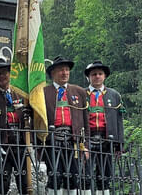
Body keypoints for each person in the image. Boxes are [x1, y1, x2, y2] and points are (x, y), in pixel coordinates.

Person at [44, 56, 90, 195]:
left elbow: (85, 121)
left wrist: (85, 145)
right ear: (53, 73)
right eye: (60, 70)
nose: (65, 73)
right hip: (52, 139)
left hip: (73, 140)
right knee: (55, 176)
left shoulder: (79, 92)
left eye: (66, 70)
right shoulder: (44, 93)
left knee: (74, 176)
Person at [0, 57, 28, 195]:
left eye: (4, 72)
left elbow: (30, 114)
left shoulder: (21, 93)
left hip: (21, 143)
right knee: (3, 182)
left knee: (25, 183)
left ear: (10, 74)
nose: (1, 76)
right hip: (3, 145)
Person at [83, 60, 124, 195]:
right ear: (88, 77)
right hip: (87, 139)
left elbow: (119, 120)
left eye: (100, 74)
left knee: (105, 174)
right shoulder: (81, 94)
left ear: (105, 76)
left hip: (107, 139)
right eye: (94, 74)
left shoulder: (114, 95)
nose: (97, 76)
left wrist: (119, 144)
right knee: (85, 173)